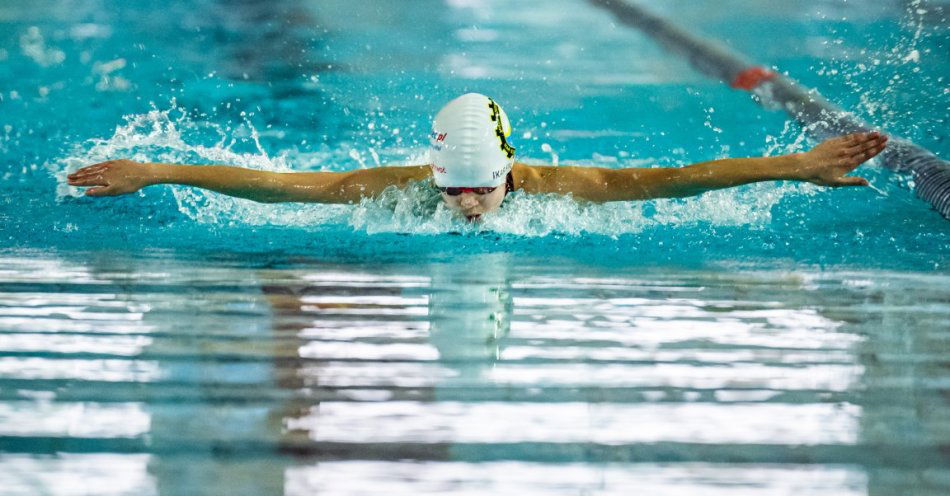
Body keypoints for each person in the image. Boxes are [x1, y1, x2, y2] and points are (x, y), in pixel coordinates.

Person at [67, 93, 888, 221]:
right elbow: (287, 188)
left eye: (478, 188)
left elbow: (673, 182)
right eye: (452, 187)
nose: (465, 205)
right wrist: (159, 168)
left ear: (509, 169)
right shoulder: (396, 191)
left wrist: (794, 163)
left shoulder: (558, 188)